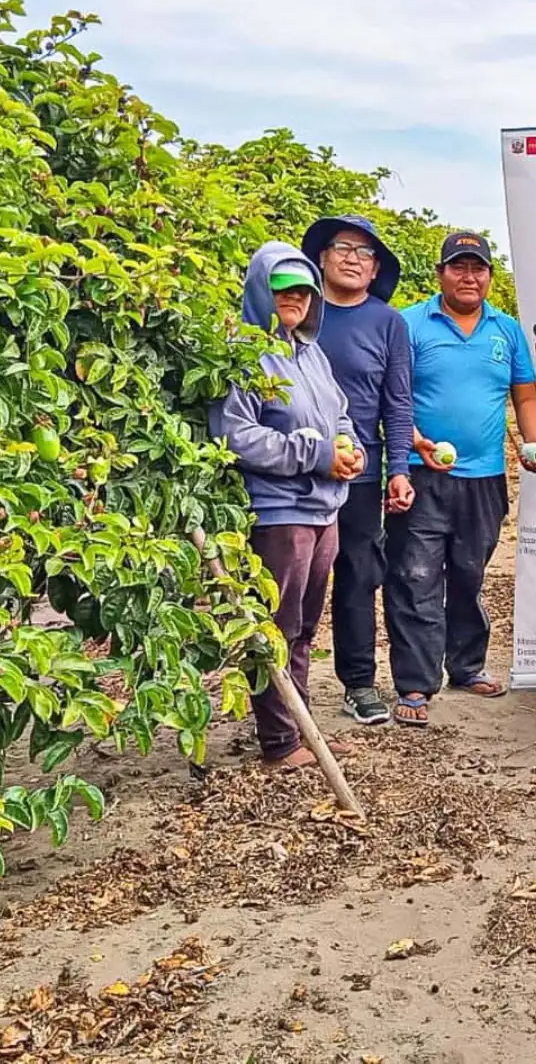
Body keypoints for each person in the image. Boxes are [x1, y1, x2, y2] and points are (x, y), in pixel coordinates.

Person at [385, 231, 536, 727]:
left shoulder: (506, 330)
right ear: (440, 274)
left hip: (485, 478)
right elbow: (391, 397)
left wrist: (532, 442)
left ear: (490, 277)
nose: (469, 276)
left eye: (478, 268)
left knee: (469, 574)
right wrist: (415, 444)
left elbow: (525, 395)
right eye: (458, 267)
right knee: (415, 577)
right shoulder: (409, 324)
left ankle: (466, 666)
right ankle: (415, 683)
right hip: (421, 474)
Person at [212, 244, 365, 768]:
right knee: (276, 625)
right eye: (282, 290)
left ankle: (300, 728)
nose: (294, 300)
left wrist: (349, 448)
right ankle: (279, 741)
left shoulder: (310, 353)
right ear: (261, 291)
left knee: (302, 626)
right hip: (279, 512)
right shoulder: (242, 356)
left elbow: (339, 414)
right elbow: (235, 436)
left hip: (324, 509)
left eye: (302, 291)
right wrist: (316, 455)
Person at [299, 215, 413, 728]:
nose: (352, 258)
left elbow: (398, 403)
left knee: (358, 578)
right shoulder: (298, 313)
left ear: (374, 271)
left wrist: (399, 468)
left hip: (360, 476)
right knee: (293, 581)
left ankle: (359, 683)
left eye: (365, 254)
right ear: (321, 257)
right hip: (293, 476)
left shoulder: (387, 323)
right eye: (342, 247)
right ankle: (286, 687)